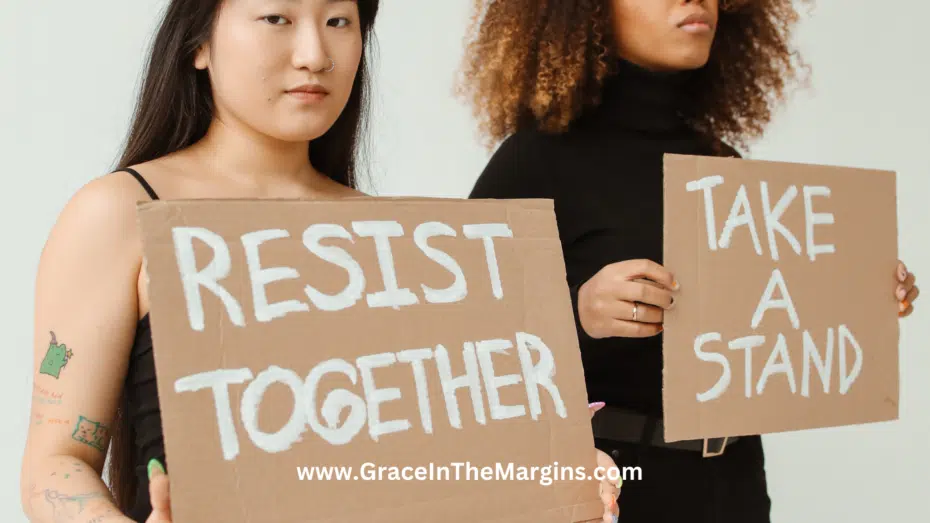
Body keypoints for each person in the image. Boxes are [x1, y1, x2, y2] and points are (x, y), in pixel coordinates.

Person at [19, 1, 622, 522]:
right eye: (276, 17)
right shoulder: (121, 212)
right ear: (199, 41)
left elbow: (432, 461)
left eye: (339, 20)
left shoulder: (401, 241)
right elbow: (56, 461)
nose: (314, 54)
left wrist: (553, 477)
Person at [458, 0, 920, 522]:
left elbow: (763, 325)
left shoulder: (726, 168)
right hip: (605, 494)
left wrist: (857, 296)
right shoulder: (534, 161)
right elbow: (458, 346)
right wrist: (577, 313)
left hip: (734, 485)